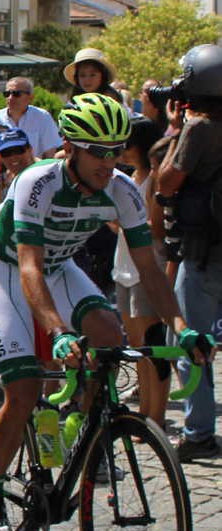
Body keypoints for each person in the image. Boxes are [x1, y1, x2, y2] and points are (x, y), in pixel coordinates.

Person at [0, 94, 212, 531]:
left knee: (109, 337)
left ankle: (84, 432)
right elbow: (28, 267)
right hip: (7, 269)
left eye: (116, 150)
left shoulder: (121, 190)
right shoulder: (36, 182)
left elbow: (149, 269)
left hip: (62, 268)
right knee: (22, 392)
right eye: (97, 152)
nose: (109, 161)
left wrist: (182, 328)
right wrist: (59, 334)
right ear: (69, 147)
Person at [157, 43, 222, 460]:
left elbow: (167, 182)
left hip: (203, 250)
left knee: (190, 340)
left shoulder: (199, 128)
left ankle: (198, 432)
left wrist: (177, 130)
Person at [112, 118, 170, 430]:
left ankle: (155, 417)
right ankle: (145, 413)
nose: (121, 150)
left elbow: (152, 229)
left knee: (153, 347)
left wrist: (122, 220)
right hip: (122, 268)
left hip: (145, 270)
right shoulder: (131, 177)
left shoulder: (154, 179)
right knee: (137, 348)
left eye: (127, 144)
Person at [0, 77, 61, 159]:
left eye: (16, 94)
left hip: (35, 169)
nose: (10, 98)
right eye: (7, 94)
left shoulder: (43, 117)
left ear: (30, 98)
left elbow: (50, 153)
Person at [0, 128, 36, 201]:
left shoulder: (48, 172)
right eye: (6, 153)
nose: (13, 157)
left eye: (18, 150)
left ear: (30, 149)